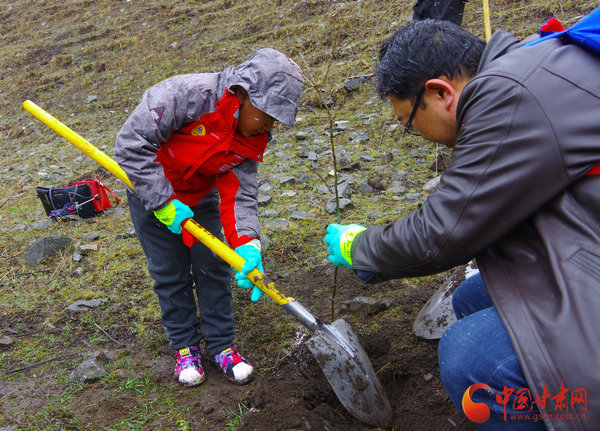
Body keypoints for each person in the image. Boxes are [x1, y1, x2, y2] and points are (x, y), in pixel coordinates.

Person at [324, 18, 600, 430]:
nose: (412, 132)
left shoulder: (510, 94)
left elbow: (443, 231)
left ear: (440, 92)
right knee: (471, 297)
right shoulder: (529, 63)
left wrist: (358, 246)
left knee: (469, 356)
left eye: (408, 121)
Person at [115, 48, 303, 387]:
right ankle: (185, 347)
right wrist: (161, 201)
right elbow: (131, 144)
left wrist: (247, 242)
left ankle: (222, 346)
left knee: (213, 267)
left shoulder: (252, 136)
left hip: (202, 197)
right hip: (149, 190)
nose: (269, 124)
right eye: (266, 114)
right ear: (244, 95)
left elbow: (239, 194)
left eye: (276, 119)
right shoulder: (183, 95)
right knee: (169, 273)